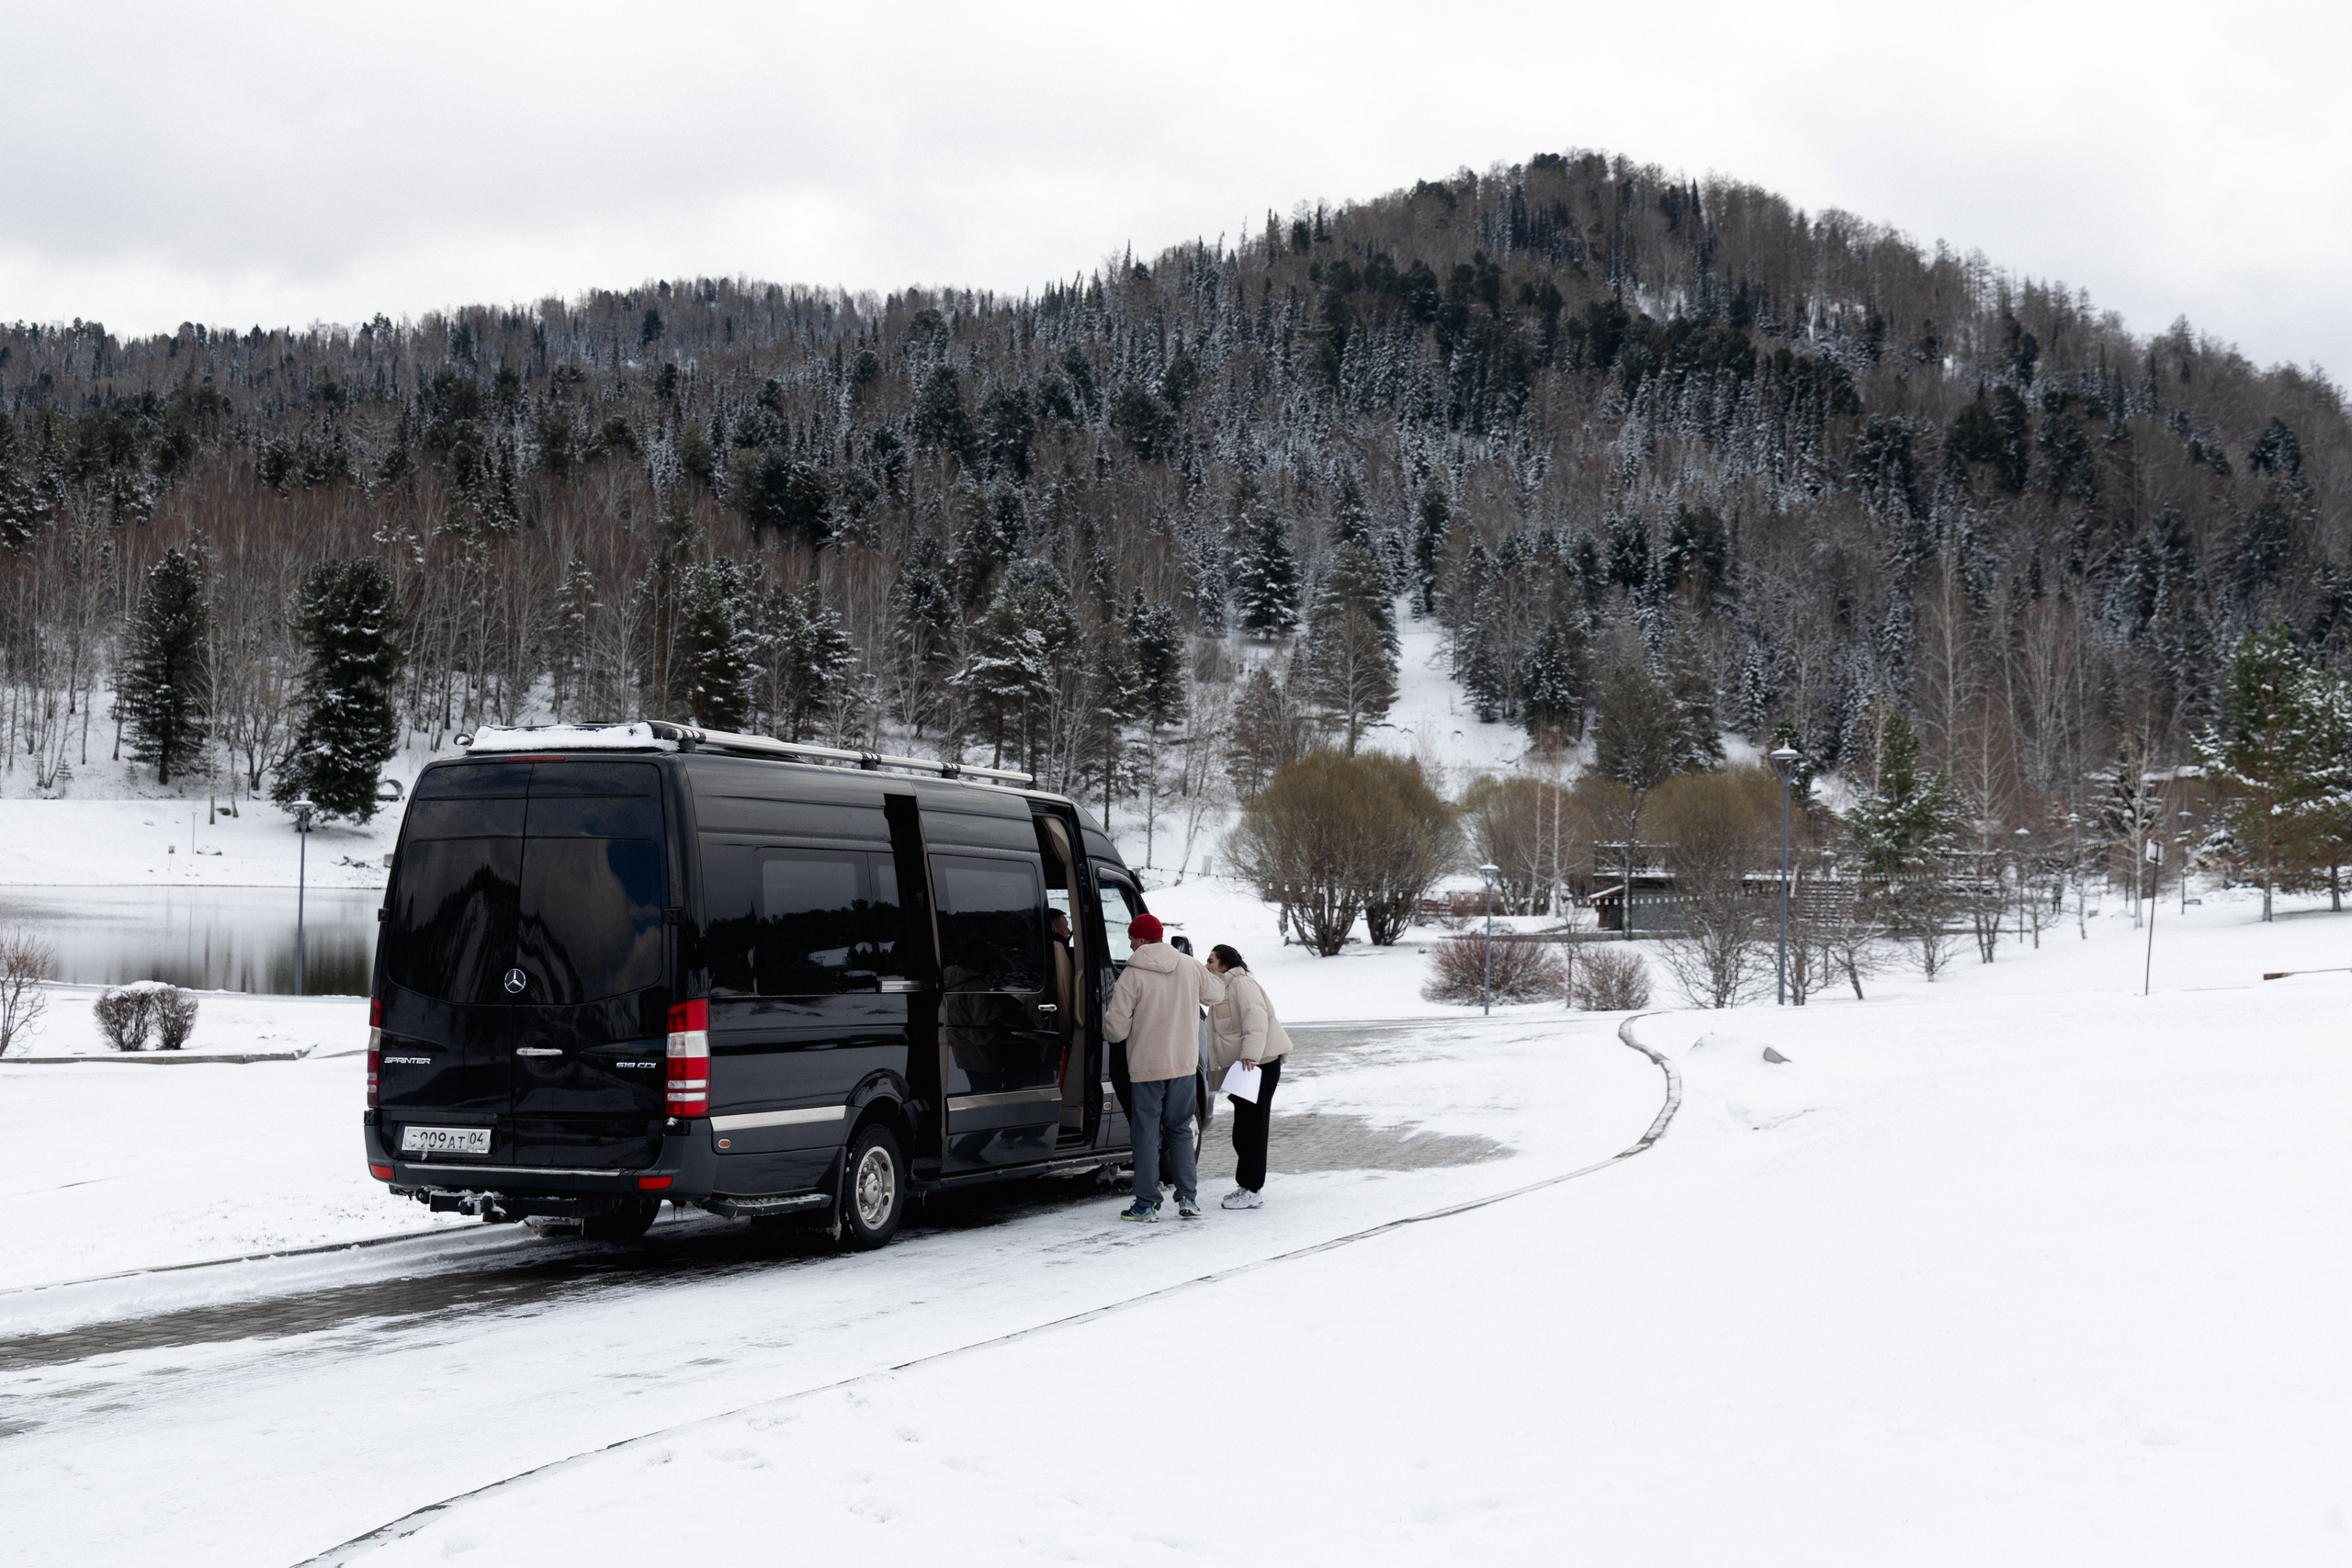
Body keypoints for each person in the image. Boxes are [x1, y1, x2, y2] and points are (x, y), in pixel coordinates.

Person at [1102, 912, 1225, 1221]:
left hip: (1146, 1068)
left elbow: (1116, 1028)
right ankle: (1187, 1198)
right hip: (1183, 1064)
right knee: (1181, 1129)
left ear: (1143, 939)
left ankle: (1146, 1204)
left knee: (1145, 1132)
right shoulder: (1188, 965)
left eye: (1132, 938)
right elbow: (1216, 994)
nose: (1130, 945)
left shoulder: (1132, 974)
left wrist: (1109, 1032)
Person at [1204, 944, 1290, 1209]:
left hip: (1258, 1065)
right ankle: (1246, 1185)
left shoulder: (1242, 984)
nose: (1206, 965)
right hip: (1245, 1068)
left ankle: (1253, 1190)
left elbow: (1256, 1021)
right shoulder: (1222, 989)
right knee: (1243, 1129)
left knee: (1252, 1128)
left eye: (1210, 961)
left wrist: (1250, 1056)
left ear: (1224, 964)